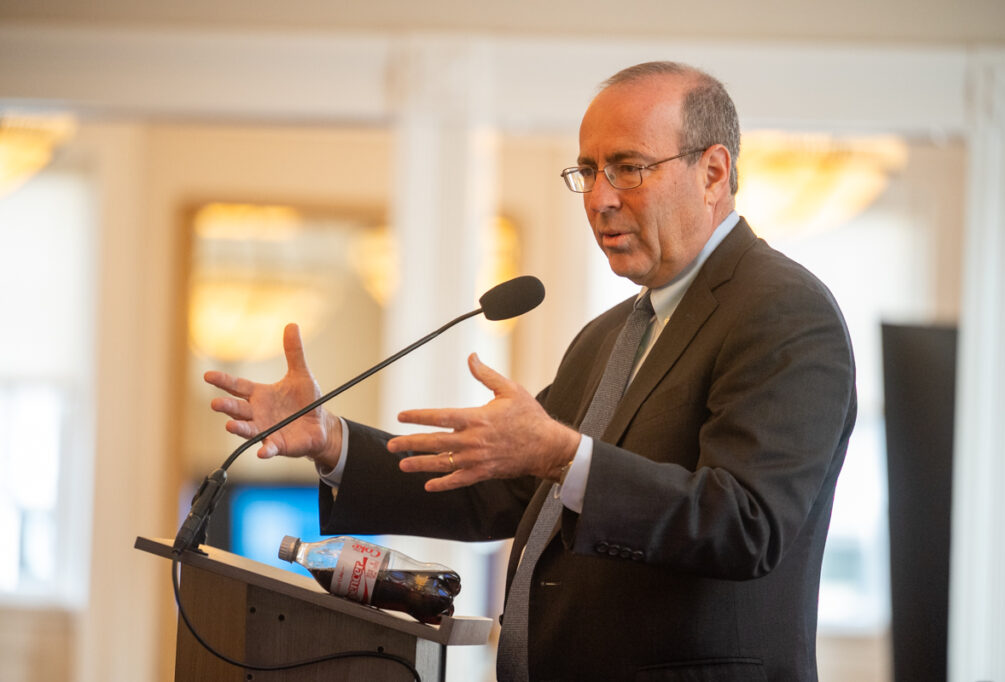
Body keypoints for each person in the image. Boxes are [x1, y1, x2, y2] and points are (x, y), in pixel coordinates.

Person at [205, 61, 857, 681]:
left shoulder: (783, 310)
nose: (600, 199)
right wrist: (334, 442)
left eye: (628, 168)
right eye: (588, 171)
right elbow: (503, 487)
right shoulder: (611, 336)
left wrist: (565, 457)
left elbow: (745, 523)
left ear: (714, 171)